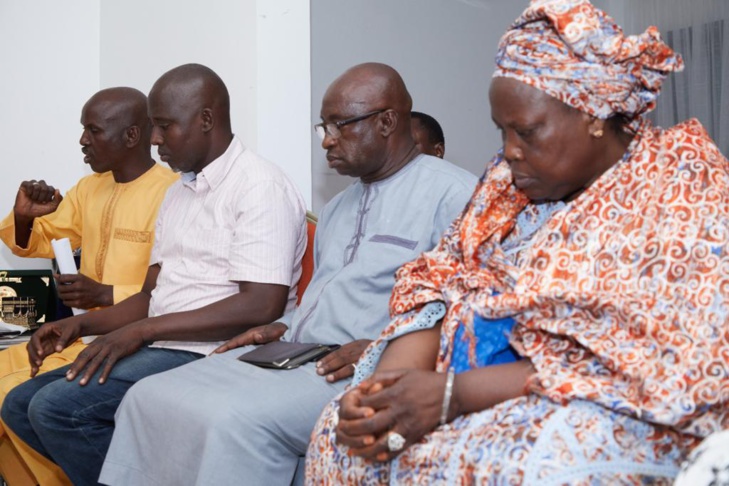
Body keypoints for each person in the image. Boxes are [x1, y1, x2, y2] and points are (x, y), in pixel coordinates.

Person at [306, 0, 729, 484]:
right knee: (341, 436)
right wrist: (392, 387)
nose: (509, 151)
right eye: (502, 131)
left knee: (527, 462)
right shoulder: (506, 188)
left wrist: (454, 395)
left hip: (623, 412)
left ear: (593, 115)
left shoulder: (683, 188)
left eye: (526, 131)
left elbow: (674, 365)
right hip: (463, 385)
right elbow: (442, 278)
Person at [98, 62, 477, 486]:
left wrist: (381, 347)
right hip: (295, 352)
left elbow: (476, 314)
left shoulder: (458, 197)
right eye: (323, 127)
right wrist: (280, 325)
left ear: (387, 122)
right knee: (146, 397)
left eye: (340, 125)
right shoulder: (338, 208)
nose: (327, 140)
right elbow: (326, 295)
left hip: (361, 368)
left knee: (229, 419)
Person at [1, 63, 307, 486]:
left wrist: (140, 331)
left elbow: (261, 305)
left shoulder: (259, 186)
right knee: (19, 404)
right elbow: (151, 295)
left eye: (164, 125)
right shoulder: (179, 193)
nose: (156, 138)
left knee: (56, 408)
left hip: (213, 350)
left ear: (205, 119)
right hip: (161, 341)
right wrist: (78, 325)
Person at [0, 87, 177, 486]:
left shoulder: (171, 194)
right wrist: (26, 218)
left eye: (93, 130)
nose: (82, 140)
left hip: (132, 341)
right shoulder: (89, 188)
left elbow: (176, 290)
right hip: (78, 335)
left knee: (11, 399)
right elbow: (43, 239)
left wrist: (105, 294)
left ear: (131, 136)